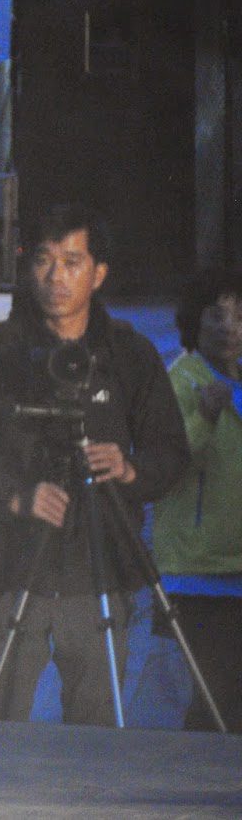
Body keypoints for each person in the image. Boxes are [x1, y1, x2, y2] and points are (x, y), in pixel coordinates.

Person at [0, 205, 190, 725]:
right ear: (26, 267)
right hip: (6, 568)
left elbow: (172, 455)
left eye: (73, 262)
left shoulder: (131, 356)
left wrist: (128, 470)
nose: (56, 277)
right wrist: (13, 494)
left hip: (98, 571)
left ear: (98, 273)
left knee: (95, 739)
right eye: (44, 261)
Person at [153, 268, 242, 732]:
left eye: (238, 314)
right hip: (198, 574)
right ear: (194, 320)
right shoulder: (178, 377)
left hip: (239, 570)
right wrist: (205, 417)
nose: (229, 325)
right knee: (214, 702)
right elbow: (162, 464)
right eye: (216, 313)